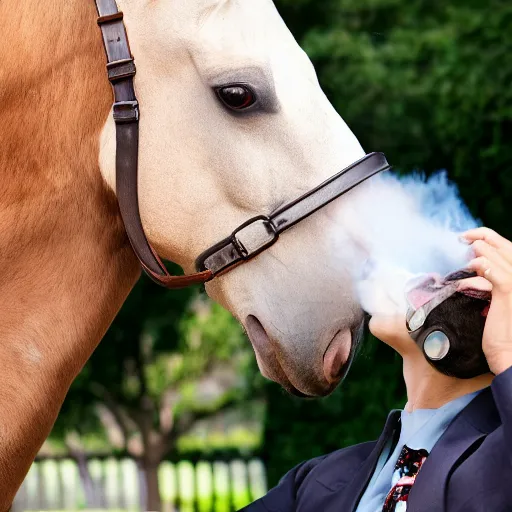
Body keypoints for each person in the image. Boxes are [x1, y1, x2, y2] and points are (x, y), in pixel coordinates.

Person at [242, 227, 512, 512]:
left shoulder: (499, 466)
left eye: (443, 277)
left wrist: (505, 353)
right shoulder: (316, 480)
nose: (423, 277)